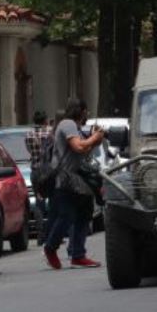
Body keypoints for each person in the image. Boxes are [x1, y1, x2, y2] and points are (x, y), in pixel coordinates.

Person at [43, 98, 105, 269]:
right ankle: (50, 247)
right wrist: (95, 137)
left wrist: (95, 139)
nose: (87, 115)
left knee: (85, 213)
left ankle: (78, 254)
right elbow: (78, 147)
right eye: (86, 111)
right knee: (67, 215)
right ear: (82, 111)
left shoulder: (75, 128)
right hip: (65, 179)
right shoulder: (68, 124)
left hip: (76, 179)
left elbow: (84, 151)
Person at [26, 110, 54, 244]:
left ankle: (40, 234)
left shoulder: (29, 134)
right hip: (49, 170)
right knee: (53, 200)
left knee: (39, 201)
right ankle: (51, 232)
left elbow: (29, 150)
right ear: (45, 120)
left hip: (36, 170)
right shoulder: (50, 132)